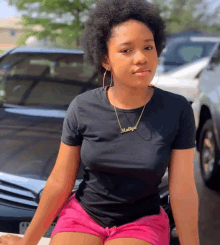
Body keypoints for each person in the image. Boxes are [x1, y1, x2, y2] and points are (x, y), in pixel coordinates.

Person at [0, 0, 200, 245]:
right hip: (83, 215)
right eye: (126, 50)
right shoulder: (83, 107)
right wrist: (28, 241)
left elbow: (183, 190)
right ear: (105, 59)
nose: (141, 58)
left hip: (141, 221)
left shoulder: (176, 109)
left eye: (148, 47)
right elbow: (60, 183)